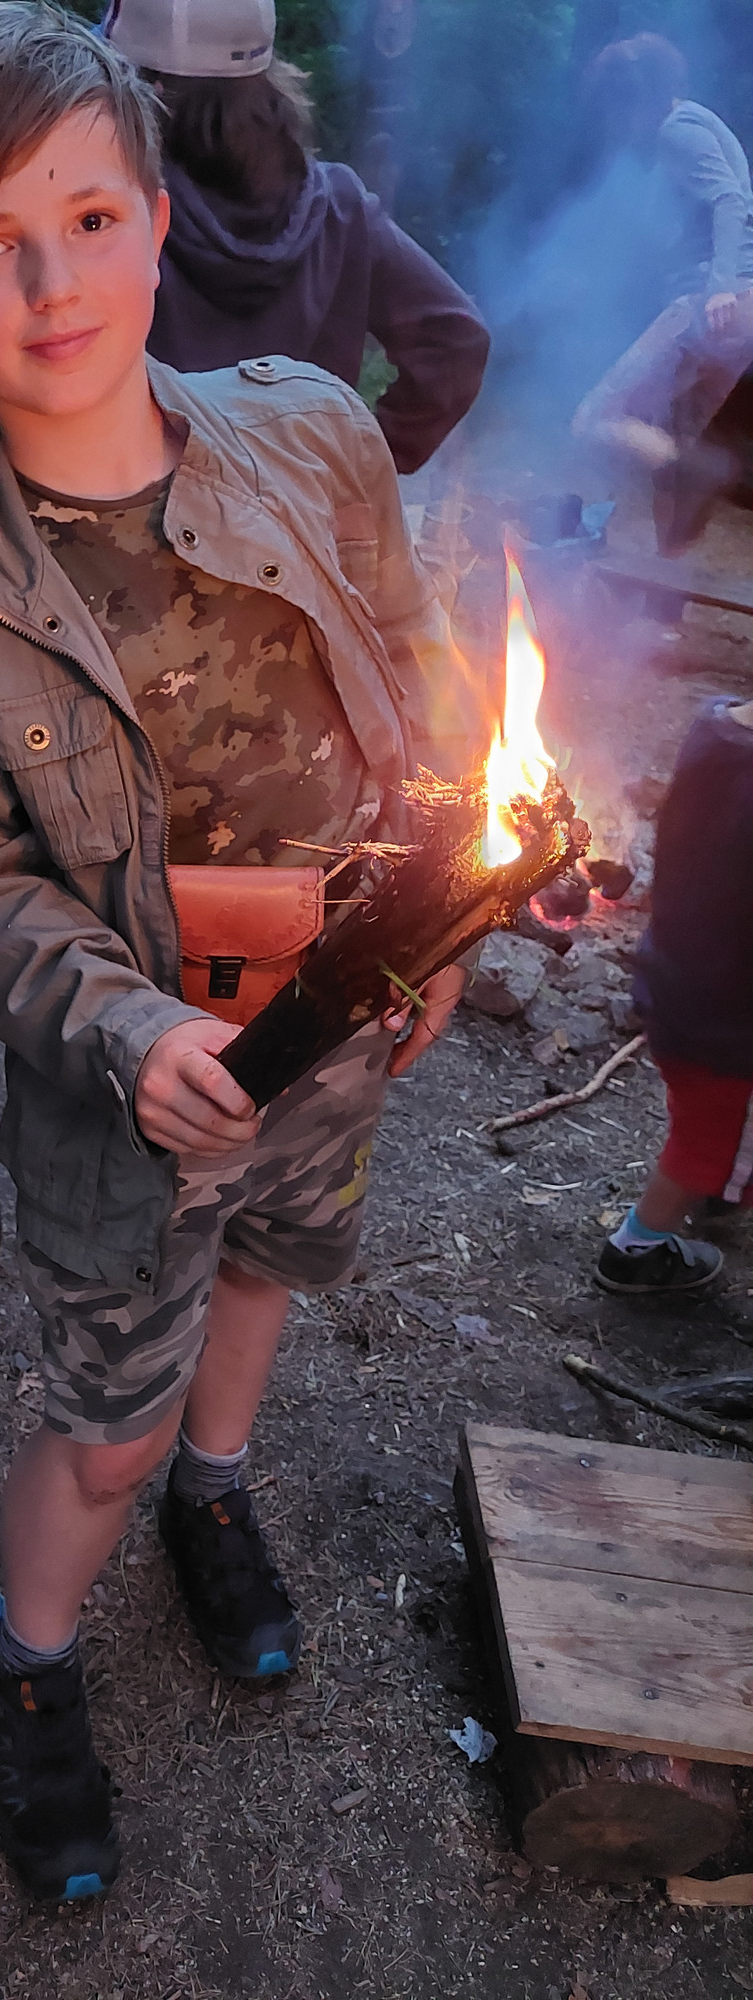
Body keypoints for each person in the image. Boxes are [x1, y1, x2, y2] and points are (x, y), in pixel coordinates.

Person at [0, 4, 476, 1900]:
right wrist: (127, 1031)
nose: (54, 284)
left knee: (277, 1264)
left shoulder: (310, 431)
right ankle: (39, 1657)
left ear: (157, 220)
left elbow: (417, 660)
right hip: (134, 1083)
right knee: (102, 1422)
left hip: (341, 1026)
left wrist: (444, 904)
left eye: (89, 220)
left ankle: (219, 1491)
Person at [102, 0, 489, 475]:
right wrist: (360, 471)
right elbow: (457, 341)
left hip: (153, 512)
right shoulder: (340, 208)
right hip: (304, 514)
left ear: (148, 90)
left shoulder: (120, 216)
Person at [595, 697, 753, 1298]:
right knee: (700, 1149)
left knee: (706, 1132)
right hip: (733, 1036)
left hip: (676, 980)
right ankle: (635, 1252)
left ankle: (723, 1191)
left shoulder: (718, 725)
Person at [570, 35, 753, 555]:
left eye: (616, 108)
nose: (615, 124)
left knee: (595, 418)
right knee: (671, 443)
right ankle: (665, 587)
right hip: (742, 316)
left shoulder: (678, 130)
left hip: (714, 308)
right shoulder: (692, 126)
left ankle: (703, 472)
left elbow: (729, 199)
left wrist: (719, 287)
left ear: (636, 98)